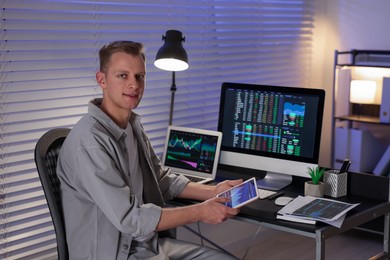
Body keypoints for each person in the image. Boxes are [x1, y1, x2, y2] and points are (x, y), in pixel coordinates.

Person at [57, 40, 242, 260]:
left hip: (147, 244)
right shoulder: (90, 142)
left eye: (140, 76)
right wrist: (201, 211)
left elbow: (160, 179)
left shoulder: (131, 126)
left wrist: (213, 192)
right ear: (102, 79)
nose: (134, 84)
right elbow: (130, 219)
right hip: (115, 254)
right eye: (123, 75)